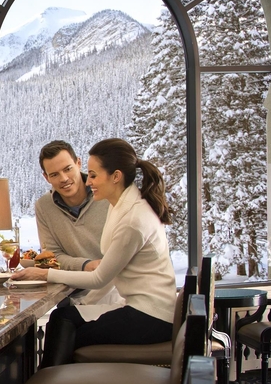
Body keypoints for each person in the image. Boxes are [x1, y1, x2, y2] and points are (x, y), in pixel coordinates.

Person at [12, 138, 176, 367]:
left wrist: (44, 274)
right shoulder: (120, 205)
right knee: (62, 317)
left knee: (71, 340)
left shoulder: (132, 219)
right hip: (139, 307)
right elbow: (56, 254)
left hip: (151, 315)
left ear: (115, 176)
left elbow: (99, 279)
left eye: (94, 175)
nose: (88, 181)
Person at [34, 140, 117, 305]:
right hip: (72, 292)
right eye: (54, 174)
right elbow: (53, 257)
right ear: (46, 177)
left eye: (67, 169)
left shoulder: (108, 196)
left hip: (114, 289)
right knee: (59, 322)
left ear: (78, 163)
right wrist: (86, 265)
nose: (63, 179)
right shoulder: (43, 206)